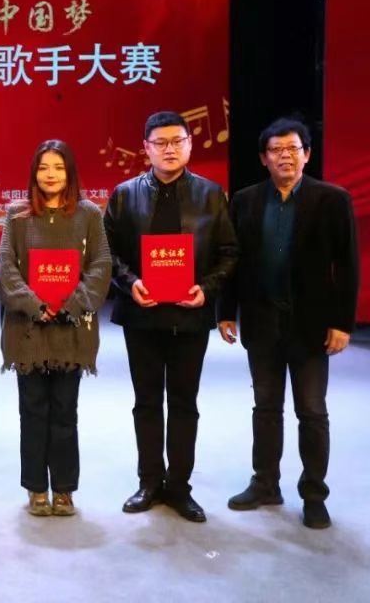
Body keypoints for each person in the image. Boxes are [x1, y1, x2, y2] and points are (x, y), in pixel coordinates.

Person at [218, 118, 358, 530]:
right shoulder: (245, 200)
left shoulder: (332, 200)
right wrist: (225, 311)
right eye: (276, 150)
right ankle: (265, 483)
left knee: (312, 411)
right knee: (265, 407)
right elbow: (233, 261)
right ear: (264, 158)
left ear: (307, 154)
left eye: (293, 149)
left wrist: (342, 323)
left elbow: (347, 265)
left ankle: (314, 494)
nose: (285, 156)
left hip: (310, 325)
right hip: (261, 322)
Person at [103, 111, 238, 523]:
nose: (169, 149)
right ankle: (149, 482)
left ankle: (179, 487)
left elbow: (229, 253)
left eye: (177, 141)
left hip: (190, 316)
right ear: (146, 148)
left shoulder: (211, 195)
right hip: (141, 316)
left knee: (183, 403)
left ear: (190, 144)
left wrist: (206, 289)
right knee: (146, 402)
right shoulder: (124, 195)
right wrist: (130, 283)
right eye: (160, 143)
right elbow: (106, 252)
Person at [0, 140, 111, 517]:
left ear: (70, 173)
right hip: (28, 332)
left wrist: (71, 304)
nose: (50, 174)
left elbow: (101, 265)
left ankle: (63, 488)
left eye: (58, 167)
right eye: (44, 167)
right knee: (31, 412)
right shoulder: (16, 215)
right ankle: (35, 488)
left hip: (71, 331)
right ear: (34, 172)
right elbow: (5, 268)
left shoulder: (89, 214)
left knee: (65, 412)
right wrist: (35, 305)